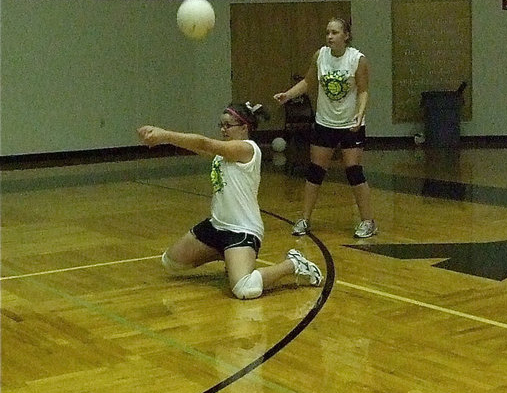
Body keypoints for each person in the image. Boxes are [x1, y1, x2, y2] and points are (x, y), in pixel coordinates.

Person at [137, 101, 323, 299]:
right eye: (221, 125)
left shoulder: (247, 149)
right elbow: (197, 146)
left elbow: (203, 143)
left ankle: (293, 264)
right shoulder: (222, 153)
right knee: (171, 263)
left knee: (245, 289)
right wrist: (161, 139)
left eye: (228, 125)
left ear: (244, 127)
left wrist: (165, 134)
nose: (223, 130)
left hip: (242, 229)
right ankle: (228, 255)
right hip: (216, 227)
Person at [274, 17, 377, 239]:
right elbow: (308, 82)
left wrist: (360, 113)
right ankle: (304, 219)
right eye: (327, 32)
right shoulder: (320, 56)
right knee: (315, 170)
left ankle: (368, 221)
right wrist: (288, 95)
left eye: (335, 32)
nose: (330, 36)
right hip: (325, 122)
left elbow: (363, 90)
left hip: (351, 123)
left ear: (346, 35)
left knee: (354, 171)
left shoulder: (357, 59)